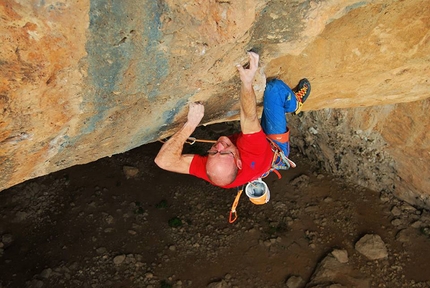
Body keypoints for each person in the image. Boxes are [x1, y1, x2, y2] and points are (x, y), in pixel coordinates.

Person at [155, 52, 310, 188]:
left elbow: (163, 161)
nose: (219, 146)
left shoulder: (215, 170)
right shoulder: (252, 152)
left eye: (213, 152)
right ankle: (294, 104)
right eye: (224, 153)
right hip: (273, 146)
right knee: (274, 89)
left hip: (257, 155)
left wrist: (189, 126)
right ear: (238, 162)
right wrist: (247, 81)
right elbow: (248, 116)